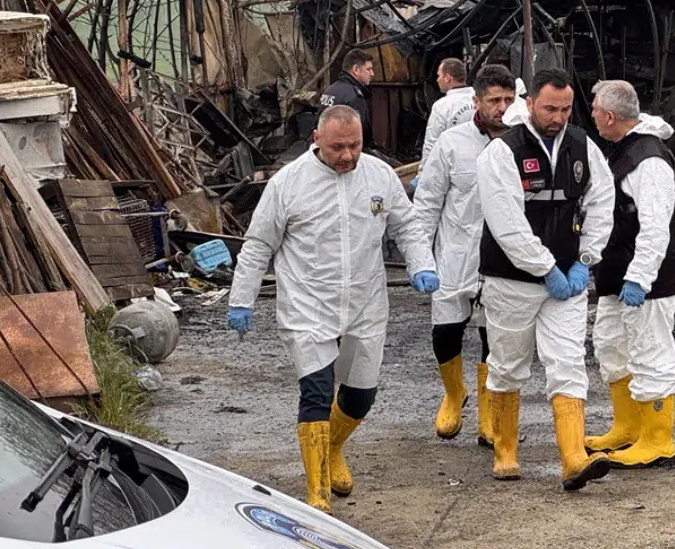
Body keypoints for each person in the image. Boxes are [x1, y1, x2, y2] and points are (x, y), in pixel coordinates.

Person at [227, 105, 439, 514]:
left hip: (365, 300)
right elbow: (258, 245)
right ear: (317, 141)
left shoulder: (379, 176)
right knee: (317, 393)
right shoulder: (288, 184)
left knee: (360, 396)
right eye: (338, 147)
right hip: (309, 303)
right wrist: (241, 299)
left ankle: (334, 448)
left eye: (355, 145)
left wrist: (422, 264)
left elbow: (407, 226)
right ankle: (317, 492)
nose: (347, 156)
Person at [476, 68, 615, 491]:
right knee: (507, 364)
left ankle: (573, 458)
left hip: (567, 283)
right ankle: (505, 451)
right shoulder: (502, 152)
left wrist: (584, 261)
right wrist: (544, 267)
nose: (558, 117)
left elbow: (601, 202)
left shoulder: (582, 146)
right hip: (511, 279)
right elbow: (506, 221)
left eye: (567, 109)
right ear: (530, 103)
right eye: (550, 108)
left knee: (568, 362)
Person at [412, 65, 517, 446]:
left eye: (509, 100)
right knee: (446, 331)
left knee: (496, 336)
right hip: (456, 253)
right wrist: (420, 257)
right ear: (476, 101)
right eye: (494, 100)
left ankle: (489, 413)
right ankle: (455, 394)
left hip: (505, 258)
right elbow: (426, 204)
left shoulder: (522, 142)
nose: (502, 108)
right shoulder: (452, 144)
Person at [586, 81, 675, 469]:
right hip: (615, 275)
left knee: (651, 353)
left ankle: (658, 441)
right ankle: (628, 426)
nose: (591, 115)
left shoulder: (649, 160)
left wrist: (639, 277)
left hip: (646, 282)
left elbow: (656, 225)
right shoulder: (624, 150)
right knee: (611, 345)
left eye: (594, 110)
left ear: (609, 116)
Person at [420, 58, 476, 163]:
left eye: (439, 76)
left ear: (447, 78)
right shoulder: (480, 99)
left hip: (454, 167)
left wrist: (422, 174)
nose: (437, 80)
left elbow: (431, 144)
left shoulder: (441, 106)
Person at [320, 49, 376, 137]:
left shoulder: (330, 89)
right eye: (368, 69)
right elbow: (358, 133)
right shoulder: (354, 96)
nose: (372, 74)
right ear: (356, 70)